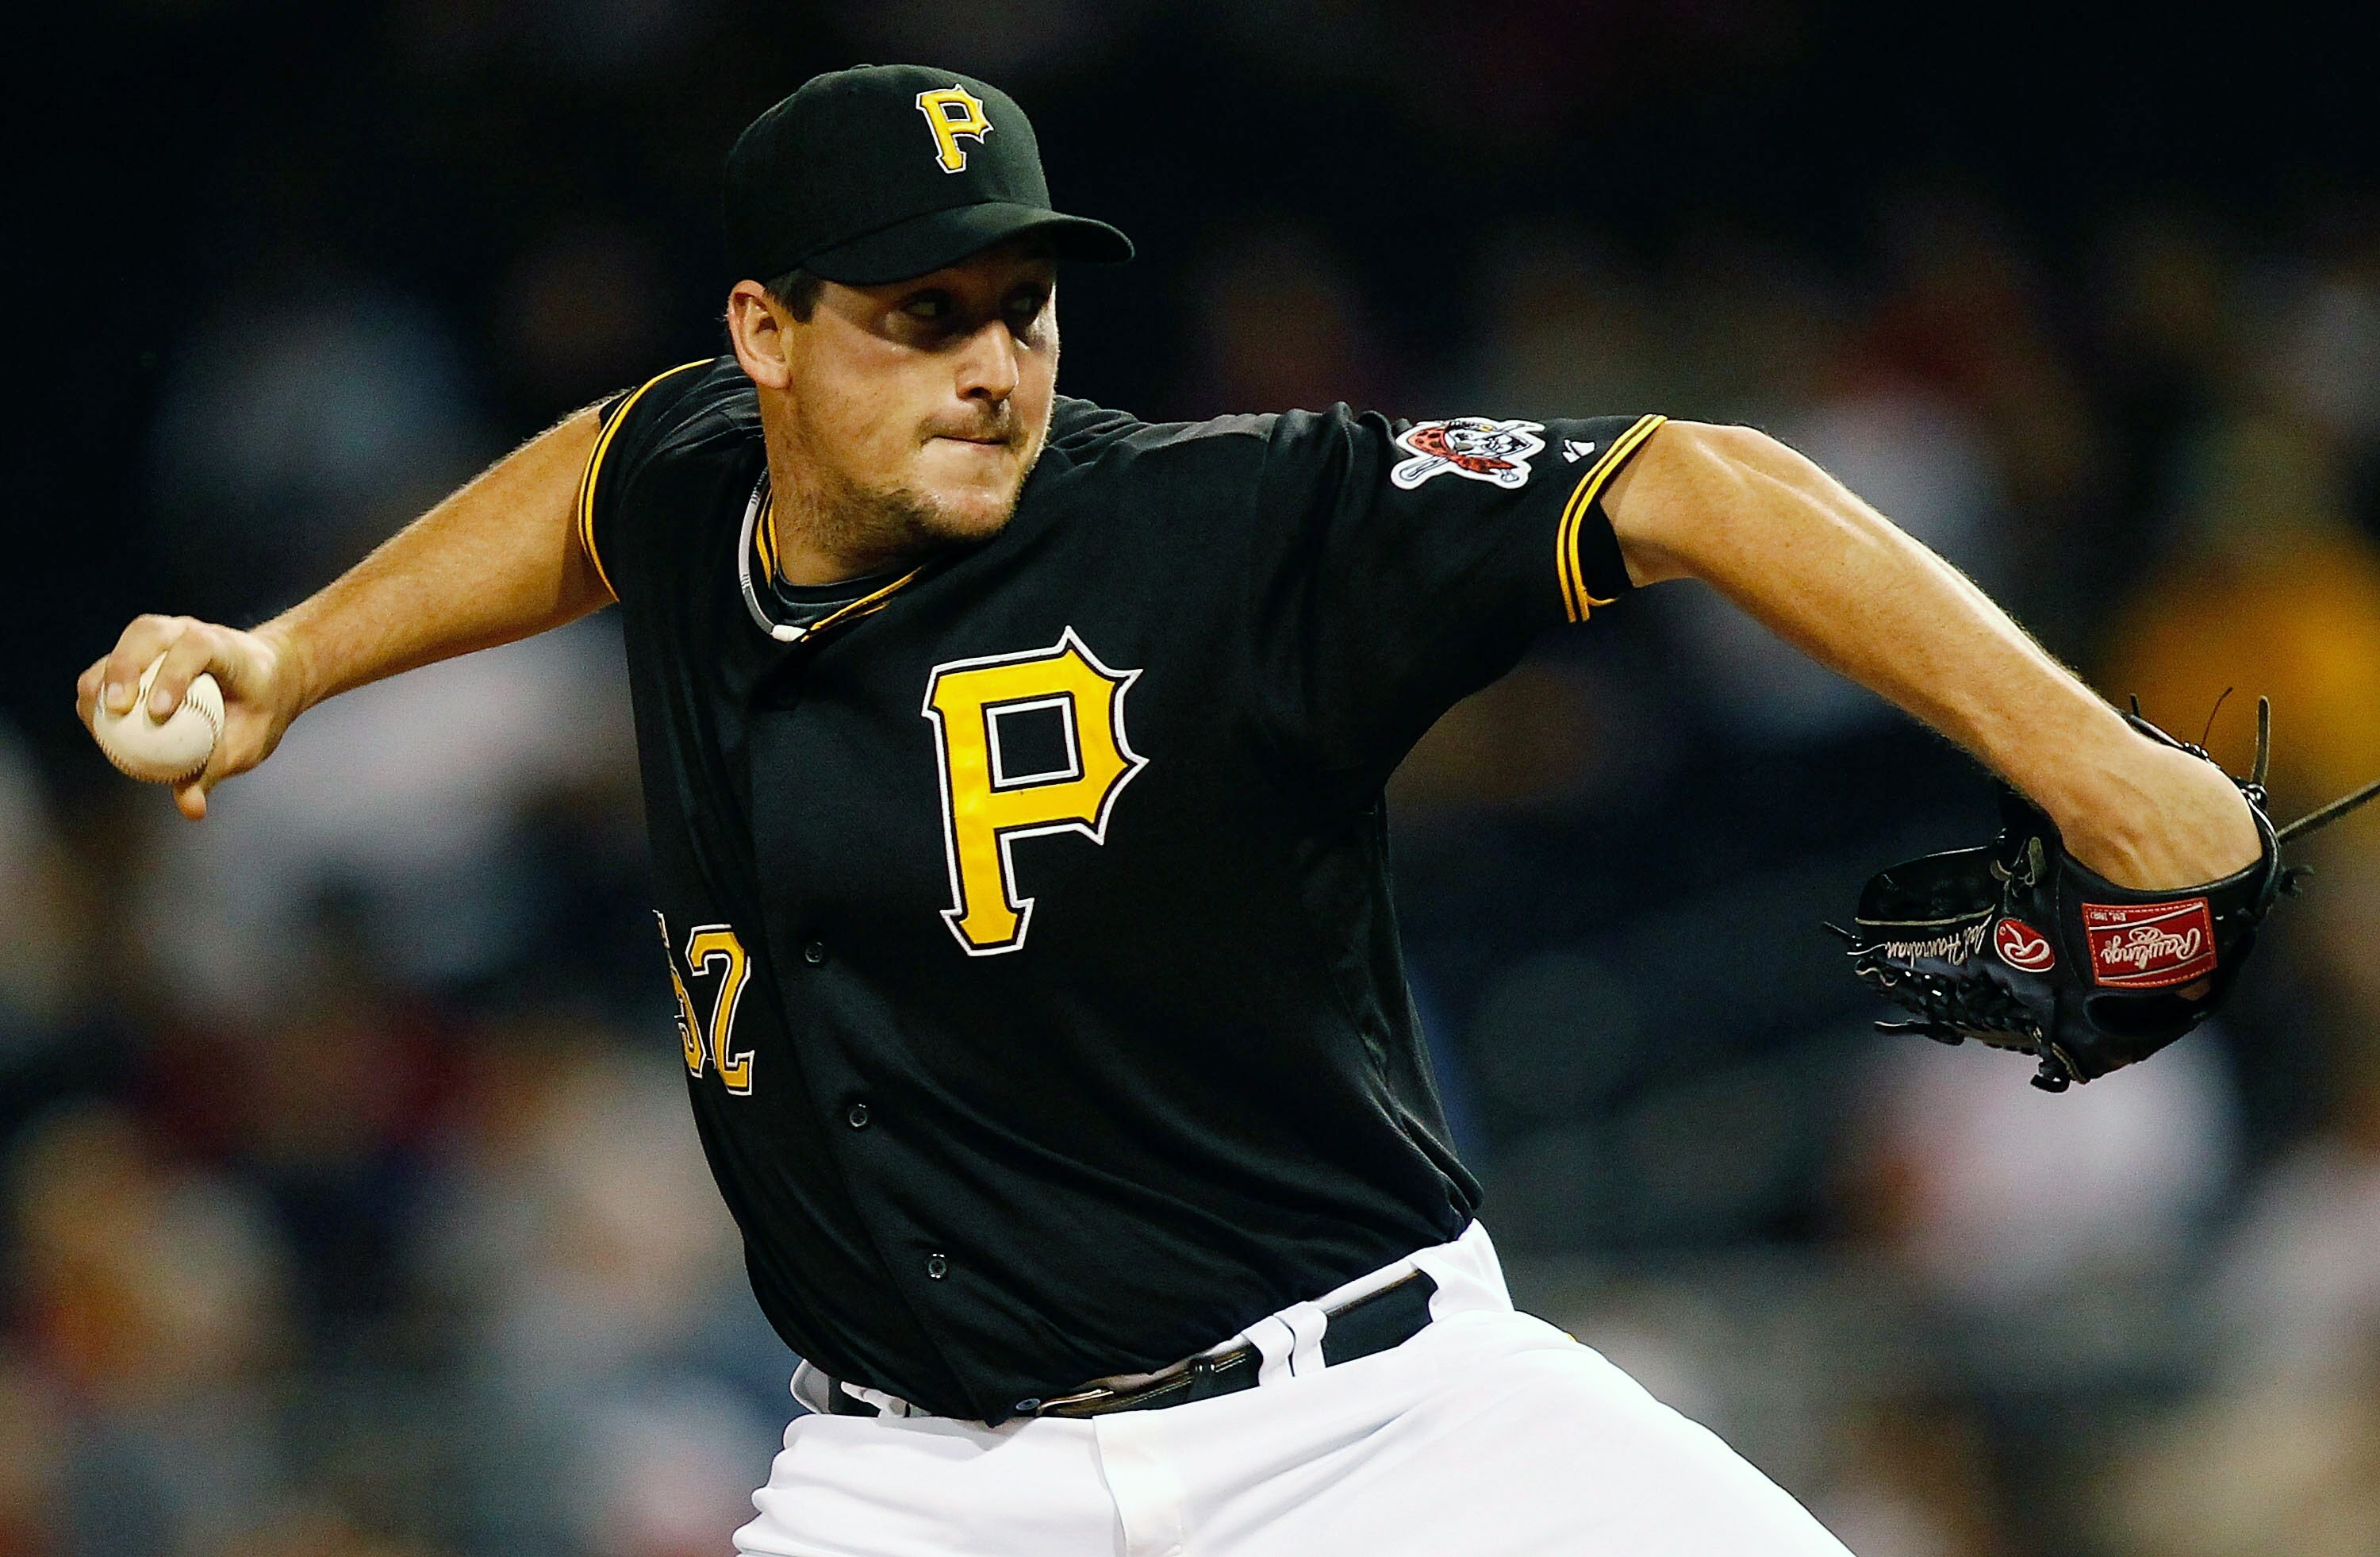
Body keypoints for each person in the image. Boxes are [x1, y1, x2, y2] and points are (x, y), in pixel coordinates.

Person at [80, 63, 2259, 1557]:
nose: (994, 365)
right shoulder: (691, 478)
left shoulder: (1218, 525)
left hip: (1384, 1427)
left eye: (1020, 308)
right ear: (766, 335)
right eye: (921, 314)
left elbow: (1696, 481)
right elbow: (592, 476)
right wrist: (292, 658)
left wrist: (2105, 770)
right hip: (920, 1489)